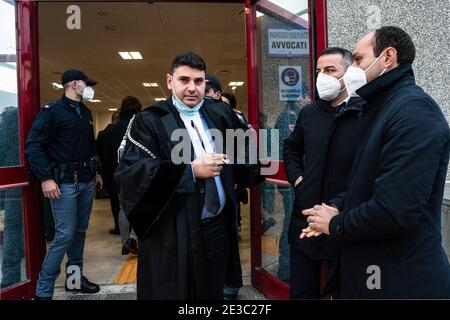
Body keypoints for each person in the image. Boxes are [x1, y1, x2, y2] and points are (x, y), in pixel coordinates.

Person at [301, 26, 450, 299]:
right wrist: (337, 205)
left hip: (399, 279)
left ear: (388, 57)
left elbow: (395, 210)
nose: (352, 69)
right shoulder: (381, 108)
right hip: (375, 273)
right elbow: (367, 181)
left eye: (358, 59)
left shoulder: (413, 112)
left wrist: (335, 224)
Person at [115, 52, 260, 299]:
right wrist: (189, 171)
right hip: (174, 230)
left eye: (199, 81)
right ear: (170, 81)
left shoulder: (219, 113)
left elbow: (245, 149)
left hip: (217, 226)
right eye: (184, 80)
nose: (192, 88)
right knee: (179, 291)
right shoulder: (150, 120)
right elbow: (132, 173)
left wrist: (248, 165)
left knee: (213, 289)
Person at [284, 47, 367, 298]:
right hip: (306, 220)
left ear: (349, 74)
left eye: (330, 70)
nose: (323, 77)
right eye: (319, 71)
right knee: (301, 291)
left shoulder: (365, 112)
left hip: (344, 222)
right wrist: (299, 179)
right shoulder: (310, 113)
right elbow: (291, 147)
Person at [25, 69, 103, 299]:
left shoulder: (85, 112)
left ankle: (74, 280)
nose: (88, 87)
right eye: (85, 83)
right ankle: (44, 290)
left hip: (86, 181)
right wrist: (46, 178)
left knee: (79, 233)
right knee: (65, 235)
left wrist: (96, 172)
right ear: (73, 84)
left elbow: (90, 146)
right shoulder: (53, 112)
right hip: (64, 183)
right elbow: (33, 146)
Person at [98, 96, 142, 255]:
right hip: (137, 173)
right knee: (140, 206)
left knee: (123, 209)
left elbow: (104, 157)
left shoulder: (109, 131)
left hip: (117, 176)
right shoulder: (139, 126)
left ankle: (125, 243)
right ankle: (134, 239)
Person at [97, 111, 120, 235]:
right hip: (124, 173)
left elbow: (99, 155)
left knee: (115, 203)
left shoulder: (103, 134)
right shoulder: (128, 131)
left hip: (110, 173)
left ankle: (118, 226)